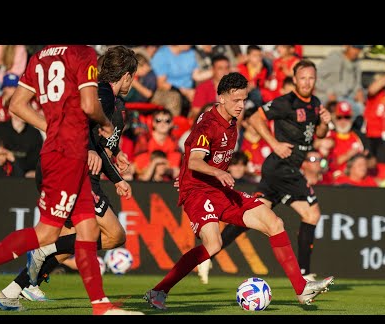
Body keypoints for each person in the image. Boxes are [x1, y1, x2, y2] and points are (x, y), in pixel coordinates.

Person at [143, 72, 334, 311]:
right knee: (213, 245)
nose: (242, 105)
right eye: (236, 100)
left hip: (217, 188)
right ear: (221, 98)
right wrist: (215, 173)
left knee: (274, 222)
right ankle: (158, 291)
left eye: (244, 100)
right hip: (198, 192)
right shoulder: (208, 125)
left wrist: (202, 175)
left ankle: (301, 289)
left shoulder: (231, 120)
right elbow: (194, 160)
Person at [0, 45, 117, 315]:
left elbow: (15, 104)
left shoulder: (40, 55)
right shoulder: (82, 53)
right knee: (48, 232)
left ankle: (101, 306)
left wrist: (51, 127)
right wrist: (106, 122)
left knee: (88, 229)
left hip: (59, 149)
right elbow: (89, 105)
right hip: (68, 152)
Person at [0, 45, 143, 314]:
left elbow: (96, 140)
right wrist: (109, 168)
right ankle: (13, 264)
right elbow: (83, 130)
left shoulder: (112, 99)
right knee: (110, 235)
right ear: (127, 75)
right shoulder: (103, 95)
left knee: (74, 238)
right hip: (73, 169)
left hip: (67, 165)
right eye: (133, 77)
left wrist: (114, 155)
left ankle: (11, 291)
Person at [201, 59, 332, 283]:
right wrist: (274, 143)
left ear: (315, 79)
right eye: (303, 78)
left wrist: (325, 123)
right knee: (312, 213)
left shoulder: (315, 103)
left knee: (251, 216)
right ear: (295, 79)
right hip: (283, 168)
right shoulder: (286, 102)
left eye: (311, 78)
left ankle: (207, 254)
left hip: (281, 170)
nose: (307, 82)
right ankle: (304, 275)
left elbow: (318, 134)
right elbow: (254, 117)